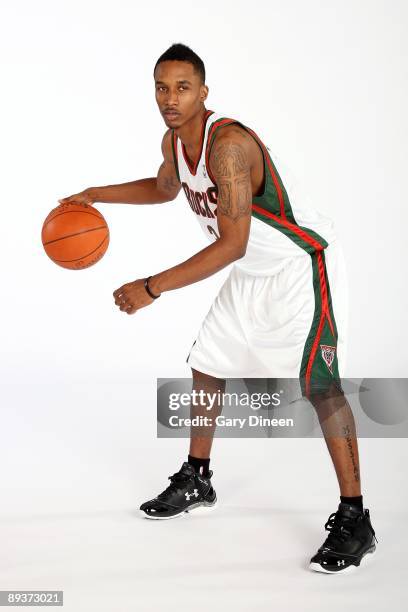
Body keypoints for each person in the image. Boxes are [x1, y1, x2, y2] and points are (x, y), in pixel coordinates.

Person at [59, 43, 377, 573]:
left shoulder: (226, 146)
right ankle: (197, 477)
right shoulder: (174, 140)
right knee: (208, 362)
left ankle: (355, 518)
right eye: (162, 87)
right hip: (255, 268)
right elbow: (165, 188)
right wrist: (96, 194)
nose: (170, 97)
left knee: (321, 386)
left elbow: (230, 244)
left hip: (302, 265)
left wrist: (152, 286)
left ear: (203, 92)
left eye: (183, 87)